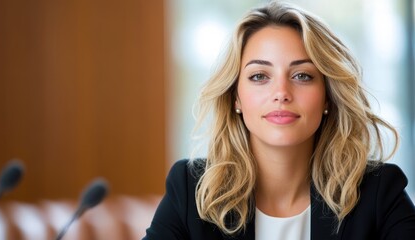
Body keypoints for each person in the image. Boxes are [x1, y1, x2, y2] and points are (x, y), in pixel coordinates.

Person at [143, 1, 415, 239]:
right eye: (259, 76)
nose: (281, 93)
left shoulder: (379, 193)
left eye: (302, 76)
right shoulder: (191, 191)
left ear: (328, 98)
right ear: (235, 98)